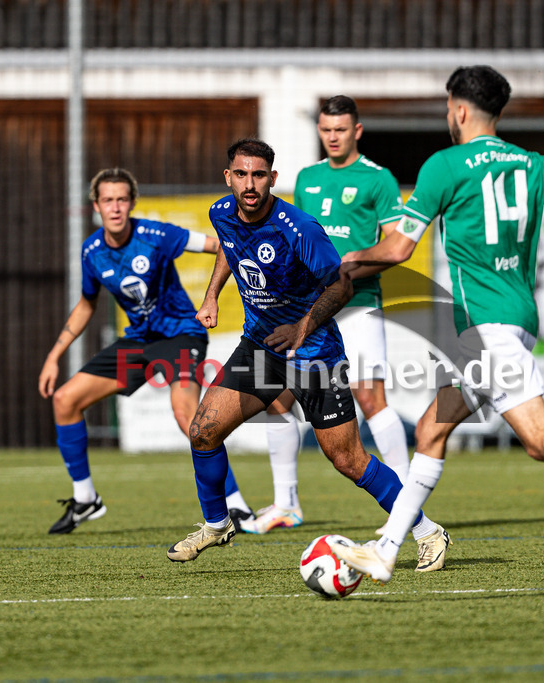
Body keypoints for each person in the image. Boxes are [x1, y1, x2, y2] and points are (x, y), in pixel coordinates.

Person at [333, 66, 544, 584]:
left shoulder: (445, 166)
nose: (449, 116)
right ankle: (385, 549)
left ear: (461, 110)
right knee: (432, 429)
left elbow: (398, 249)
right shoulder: (534, 164)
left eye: (449, 107)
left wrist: (345, 259)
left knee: (538, 439)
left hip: (486, 330)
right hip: (514, 322)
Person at [165, 138, 450, 571]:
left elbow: (342, 285)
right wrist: (211, 297)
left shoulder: (299, 228)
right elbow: (228, 246)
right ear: (228, 178)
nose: (249, 184)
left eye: (259, 175)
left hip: (314, 353)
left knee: (348, 460)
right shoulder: (221, 213)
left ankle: (428, 531)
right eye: (241, 174)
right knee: (203, 432)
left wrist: (302, 326)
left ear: (272, 179)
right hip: (261, 346)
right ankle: (217, 523)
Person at [37, 167, 254, 535]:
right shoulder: (91, 251)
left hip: (180, 335)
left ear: (132, 203)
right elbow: (87, 304)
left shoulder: (156, 234)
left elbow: (220, 246)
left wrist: (219, 291)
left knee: (187, 414)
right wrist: (54, 355)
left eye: (122, 199)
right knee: (65, 400)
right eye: (108, 200)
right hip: (138, 343)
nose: (116, 207)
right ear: (96, 206)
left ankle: (234, 503)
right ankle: (86, 498)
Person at [240, 96, 411, 535]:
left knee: (371, 398)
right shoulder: (309, 178)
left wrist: (354, 262)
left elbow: (395, 246)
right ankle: (286, 504)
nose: (332, 136)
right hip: (307, 311)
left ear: (357, 131)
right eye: (325, 129)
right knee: (276, 399)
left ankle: (405, 500)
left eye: (340, 129)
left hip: (358, 305)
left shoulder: (378, 179)